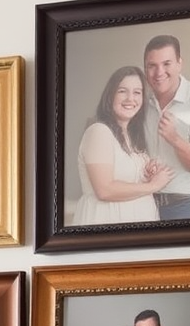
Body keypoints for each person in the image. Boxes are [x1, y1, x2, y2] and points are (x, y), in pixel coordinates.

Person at [73, 66, 172, 226]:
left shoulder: (133, 136)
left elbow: (126, 178)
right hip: (107, 222)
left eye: (137, 92)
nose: (130, 99)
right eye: (122, 91)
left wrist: (146, 173)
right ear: (110, 95)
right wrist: (153, 185)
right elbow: (105, 190)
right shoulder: (99, 131)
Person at [142, 33, 190, 221]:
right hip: (143, 201)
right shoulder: (140, 101)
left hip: (183, 205)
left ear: (179, 63)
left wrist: (174, 138)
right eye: (152, 66)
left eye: (166, 64)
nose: (159, 72)